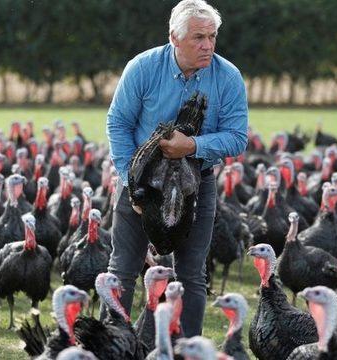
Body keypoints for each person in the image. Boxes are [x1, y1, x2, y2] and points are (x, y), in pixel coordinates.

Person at [105, 0, 248, 336]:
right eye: (199, 37)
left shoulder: (227, 77)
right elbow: (118, 123)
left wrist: (193, 146)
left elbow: (237, 138)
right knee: (123, 270)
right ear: (174, 37)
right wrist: (133, 181)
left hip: (196, 182)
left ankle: (187, 351)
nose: (208, 45)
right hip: (141, 181)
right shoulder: (142, 68)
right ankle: (114, 346)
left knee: (192, 275)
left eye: (212, 37)